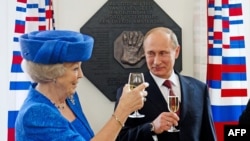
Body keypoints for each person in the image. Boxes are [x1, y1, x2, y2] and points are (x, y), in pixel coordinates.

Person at [15, 30, 149, 141]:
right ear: (53, 74)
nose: (81, 75)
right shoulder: (36, 113)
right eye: (75, 69)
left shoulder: (70, 98)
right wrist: (123, 110)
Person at [115, 27, 217, 141]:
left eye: (163, 53)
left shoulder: (200, 89)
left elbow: (208, 135)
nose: (156, 61)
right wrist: (151, 127)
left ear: (176, 52)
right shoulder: (129, 93)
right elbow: (119, 138)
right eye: (151, 53)